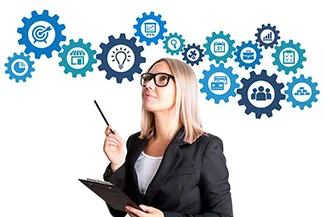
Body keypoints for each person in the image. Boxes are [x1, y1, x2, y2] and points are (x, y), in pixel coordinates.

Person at [103, 58, 233, 217]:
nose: (148, 85)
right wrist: (117, 165)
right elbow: (119, 211)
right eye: (148, 78)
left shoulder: (206, 147)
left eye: (162, 79)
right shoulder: (134, 143)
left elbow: (223, 215)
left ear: (183, 89)